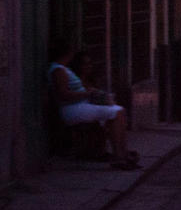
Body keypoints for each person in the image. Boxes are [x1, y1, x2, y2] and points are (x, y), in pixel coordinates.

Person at [48, 38, 138, 170]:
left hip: (79, 105)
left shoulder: (63, 68)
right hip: (72, 109)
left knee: (119, 111)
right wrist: (87, 93)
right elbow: (63, 94)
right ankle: (119, 156)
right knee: (116, 112)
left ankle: (122, 154)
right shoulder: (58, 70)